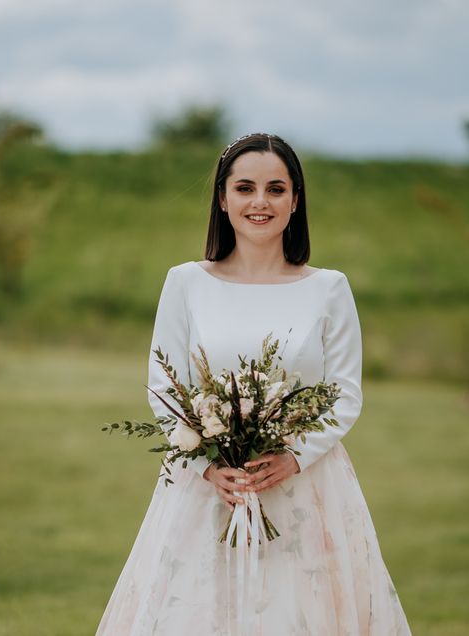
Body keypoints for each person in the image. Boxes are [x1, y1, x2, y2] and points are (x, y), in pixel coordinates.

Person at [96, 133, 411, 635]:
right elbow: (163, 385)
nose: (259, 201)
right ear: (222, 199)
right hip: (207, 490)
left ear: (295, 200)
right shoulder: (185, 283)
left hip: (306, 487)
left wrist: (293, 457)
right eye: (245, 187)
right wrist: (205, 467)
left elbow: (346, 394)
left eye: (275, 188)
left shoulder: (329, 289)